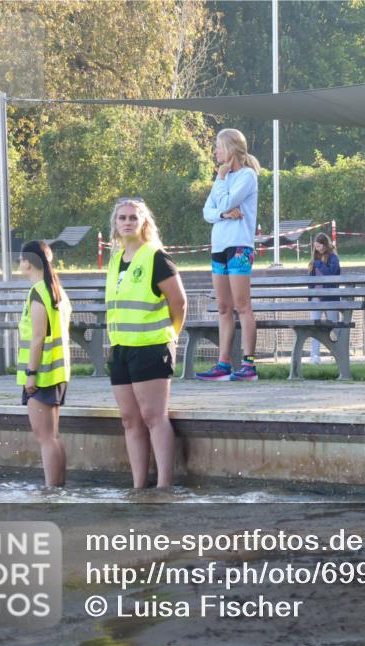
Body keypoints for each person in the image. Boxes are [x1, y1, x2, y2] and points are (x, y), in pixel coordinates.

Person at [105, 198, 187, 488]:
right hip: (121, 349)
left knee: (154, 416)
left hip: (151, 347)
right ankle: (139, 486)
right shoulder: (116, 260)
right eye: (122, 218)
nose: (127, 222)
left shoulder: (156, 257)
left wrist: (171, 335)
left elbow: (179, 302)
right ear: (115, 224)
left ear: (144, 223)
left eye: (133, 218)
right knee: (130, 420)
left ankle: (164, 486)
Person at [196, 128, 261, 382]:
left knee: (242, 306)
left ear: (231, 149)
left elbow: (223, 202)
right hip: (219, 246)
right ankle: (223, 364)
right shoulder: (221, 178)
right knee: (223, 307)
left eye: (218, 147)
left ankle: (249, 365)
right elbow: (208, 211)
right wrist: (223, 214)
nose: (215, 151)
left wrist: (222, 192)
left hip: (239, 247)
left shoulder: (247, 176)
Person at [17, 241, 72, 487]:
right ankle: (58, 489)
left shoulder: (39, 292)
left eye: (20, 260)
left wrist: (31, 374)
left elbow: (38, 336)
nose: (20, 264)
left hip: (42, 374)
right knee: (52, 436)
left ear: (28, 262)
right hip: (57, 371)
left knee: (45, 437)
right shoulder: (55, 289)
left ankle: (51, 491)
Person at [307, 233, 341, 364]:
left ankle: (340, 352)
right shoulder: (314, 260)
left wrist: (319, 264)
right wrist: (311, 296)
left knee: (335, 326)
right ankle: (314, 356)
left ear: (325, 245)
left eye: (319, 246)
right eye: (315, 247)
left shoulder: (333, 258)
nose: (317, 249)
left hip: (330, 298)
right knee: (314, 327)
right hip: (316, 298)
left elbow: (330, 274)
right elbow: (311, 280)